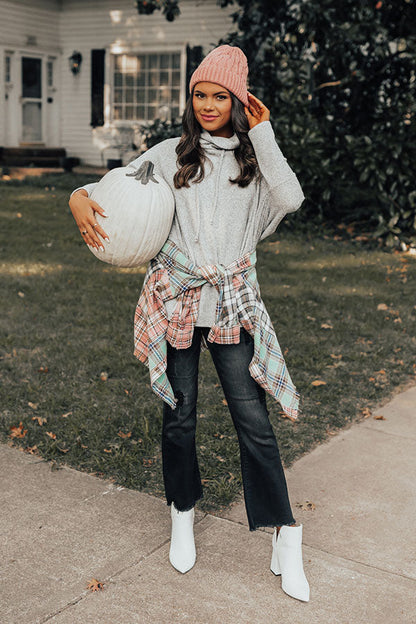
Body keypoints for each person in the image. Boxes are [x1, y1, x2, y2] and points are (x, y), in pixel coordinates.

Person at [69, 45, 310, 602]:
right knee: (179, 417)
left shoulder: (256, 164)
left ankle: (285, 532)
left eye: (220, 96)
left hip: (231, 305)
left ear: (239, 103)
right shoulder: (171, 153)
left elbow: (292, 199)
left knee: (253, 420)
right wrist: (78, 197)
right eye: (200, 94)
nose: (207, 105)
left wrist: (264, 133)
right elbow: (112, 186)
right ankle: (182, 511)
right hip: (177, 300)